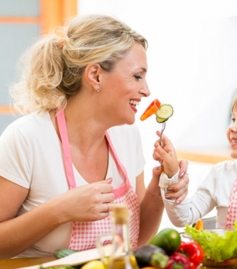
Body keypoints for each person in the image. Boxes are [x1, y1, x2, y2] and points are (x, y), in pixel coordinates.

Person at [0, 14, 189, 258]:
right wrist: (59, 210)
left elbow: (136, 240)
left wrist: (159, 190)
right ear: (95, 76)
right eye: (137, 76)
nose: (146, 90)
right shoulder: (27, 138)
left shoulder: (127, 136)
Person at [154, 84, 237, 231]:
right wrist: (171, 174)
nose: (232, 127)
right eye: (233, 119)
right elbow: (184, 217)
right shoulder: (222, 174)